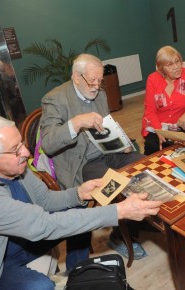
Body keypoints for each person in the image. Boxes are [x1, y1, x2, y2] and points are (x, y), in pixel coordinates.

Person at [0, 115, 162, 290]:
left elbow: (45, 200)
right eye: (15, 149)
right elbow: (42, 225)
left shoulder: (14, 169)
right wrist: (118, 211)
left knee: (78, 209)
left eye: (21, 143)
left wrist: (77, 194)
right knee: (40, 286)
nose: (26, 152)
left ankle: (76, 273)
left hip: (24, 239)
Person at [39, 53, 146, 260]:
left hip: (106, 153)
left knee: (142, 165)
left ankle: (128, 227)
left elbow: (105, 128)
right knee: (116, 184)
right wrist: (76, 122)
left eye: (100, 80)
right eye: (92, 81)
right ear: (76, 77)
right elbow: (49, 144)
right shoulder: (55, 99)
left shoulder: (101, 95)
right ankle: (123, 234)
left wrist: (121, 143)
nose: (97, 86)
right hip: (80, 164)